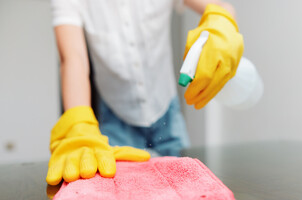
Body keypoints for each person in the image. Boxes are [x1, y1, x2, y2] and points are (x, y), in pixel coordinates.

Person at [46, 0, 244, 185]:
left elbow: (222, 7)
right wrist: (78, 124)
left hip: (167, 110)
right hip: (115, 120)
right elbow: (73, 58)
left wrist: (221, 23)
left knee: (189, 191)